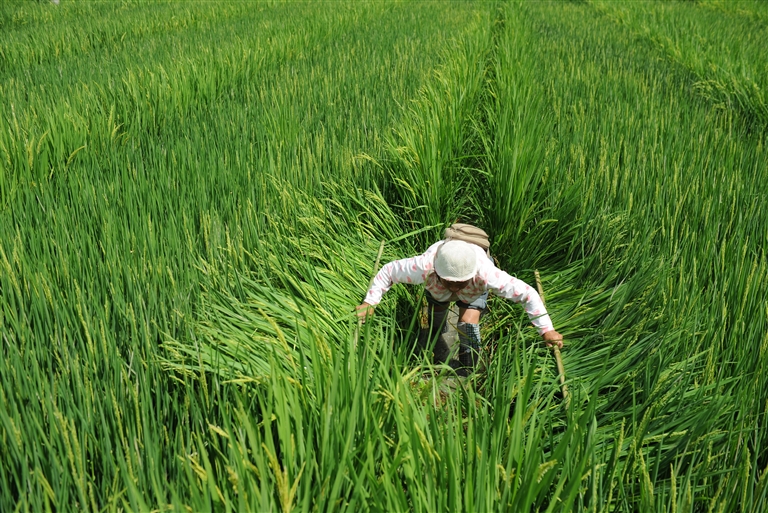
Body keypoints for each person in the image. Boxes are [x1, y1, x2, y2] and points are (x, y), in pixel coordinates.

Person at [356, 238, 563, 374]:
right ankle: (437, 333)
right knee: (437, 318)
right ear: (437, 271)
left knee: (468, 322)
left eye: (459, 283)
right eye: (450, 282)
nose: (455, 287)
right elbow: (388, 271)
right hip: (438, 288)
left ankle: (468, 364)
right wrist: (370, 302)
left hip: (473, 289)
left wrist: (546, 330)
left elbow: (527, 294)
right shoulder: (423, 266)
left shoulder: (486, 273)